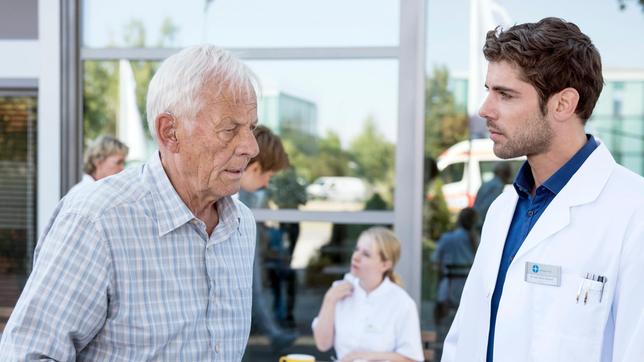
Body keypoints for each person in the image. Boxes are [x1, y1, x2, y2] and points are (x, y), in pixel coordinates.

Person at [0, 45, 261, 360]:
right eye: (229, 130)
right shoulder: (97, 218)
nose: (251, 146)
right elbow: (28, 354)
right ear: (170, 132)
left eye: (251, 128)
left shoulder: (241, 224)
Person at [442, 18, 644, 362]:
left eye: (504, 94)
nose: (485, 110)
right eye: (488, 90)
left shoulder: (634, 211)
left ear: (563, 104)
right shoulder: (503, 209)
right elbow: (464, 341)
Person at [312, 227, 424, 362]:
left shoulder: (402, 303)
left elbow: (413, 359)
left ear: (385, 265)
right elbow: (322, 345)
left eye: (366, 254)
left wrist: (370, 356)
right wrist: (329, 300)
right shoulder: (338, 291)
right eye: (356, 249)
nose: (356, 257)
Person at [236, 125, 297, 351]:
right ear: (255, 168)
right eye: (268, 176)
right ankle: (274, 334)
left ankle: (274, 333)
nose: (267, 184)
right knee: (254, 290)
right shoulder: (236, 198)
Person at [431, 207, 478, 326]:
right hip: (470, 290)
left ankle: (438, 333)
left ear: (458, 221)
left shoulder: (447, 238)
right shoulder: (477, 240)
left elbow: (435, 261)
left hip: (448, 290)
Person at [472, 162, 511, 232]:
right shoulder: (497, 186)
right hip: (484, 225)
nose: (510, 176)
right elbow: (491, 208)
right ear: (503, 173)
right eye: (508, 173)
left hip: (477, 222)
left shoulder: (486, 184)